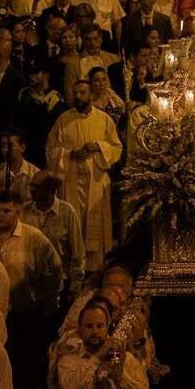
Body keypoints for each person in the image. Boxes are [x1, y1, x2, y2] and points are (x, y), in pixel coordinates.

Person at [45, 78, 122, 271]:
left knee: (95, 225)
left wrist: (98, 146)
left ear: (90, 95)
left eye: (82, 93)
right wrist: (70, 153)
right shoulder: (63, 120)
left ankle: (96, 269)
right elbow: (51, 149)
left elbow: (117, 147)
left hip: (95, 180)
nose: (78, 97)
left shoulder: (104, 119)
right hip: (71, 180)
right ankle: (75, 268)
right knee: (74, 224)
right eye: (76, 93)